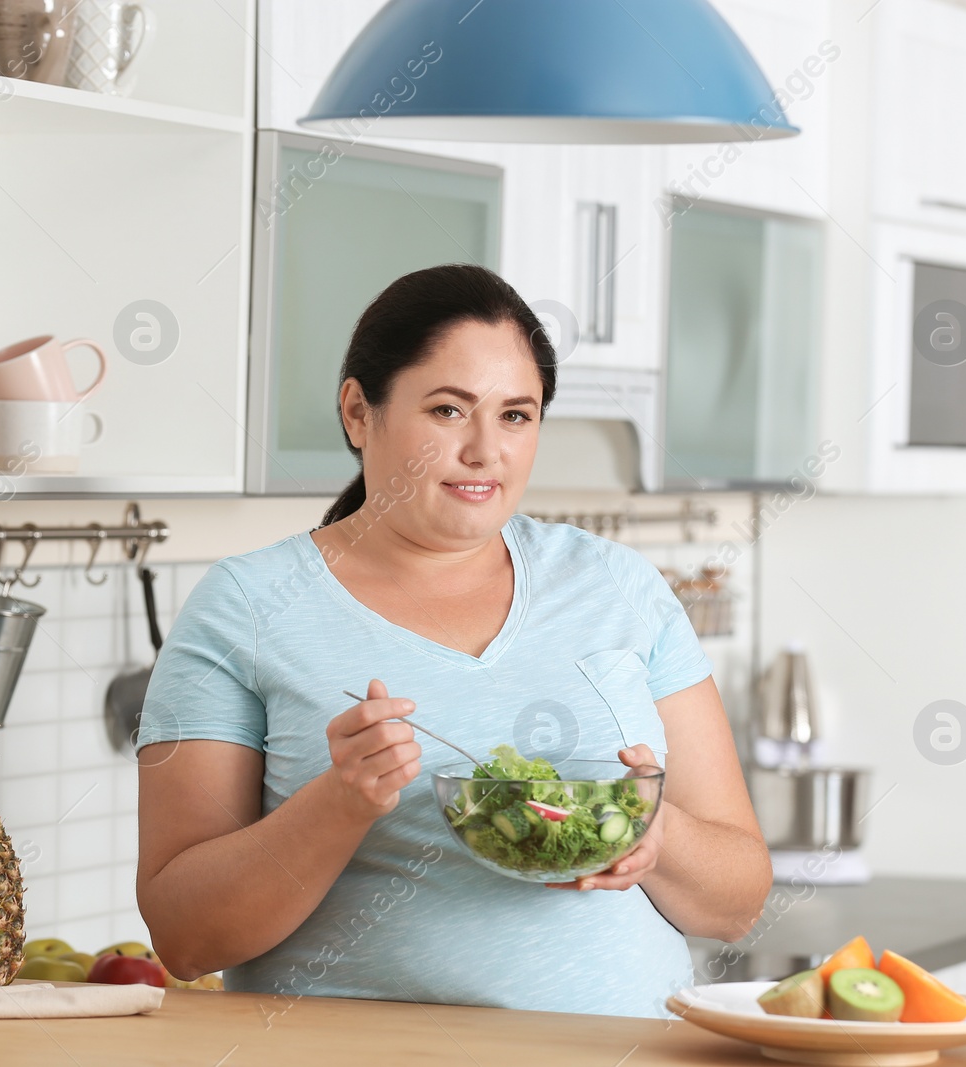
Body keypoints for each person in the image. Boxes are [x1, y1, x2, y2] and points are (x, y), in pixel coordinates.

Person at [134, 263, 769, 1017]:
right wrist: (339, 803)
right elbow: (186, 936)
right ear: (358, 413)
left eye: (515, 415)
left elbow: (738, 903)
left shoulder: (619, 586)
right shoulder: (244, 605)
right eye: (447, 410)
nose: (485, 450)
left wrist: (647, 827)